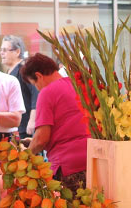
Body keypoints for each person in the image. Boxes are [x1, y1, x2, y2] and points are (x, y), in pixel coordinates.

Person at [21, 53, 89, 190]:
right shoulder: (78, 85)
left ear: (39, 76)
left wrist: (25, 156)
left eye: (34, 84)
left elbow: (41, 139)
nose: (37, 88)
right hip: (93, 160)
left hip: (68, 166)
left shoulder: (47, 93)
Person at [0, 35, 38, 138]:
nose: (1, 53)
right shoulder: (8, 72)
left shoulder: (24, 70)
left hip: (25, 127)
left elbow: (36, 94)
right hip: (13, 127)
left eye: (5, 50)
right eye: (1, 50)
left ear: (17, 52)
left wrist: (32, 120)